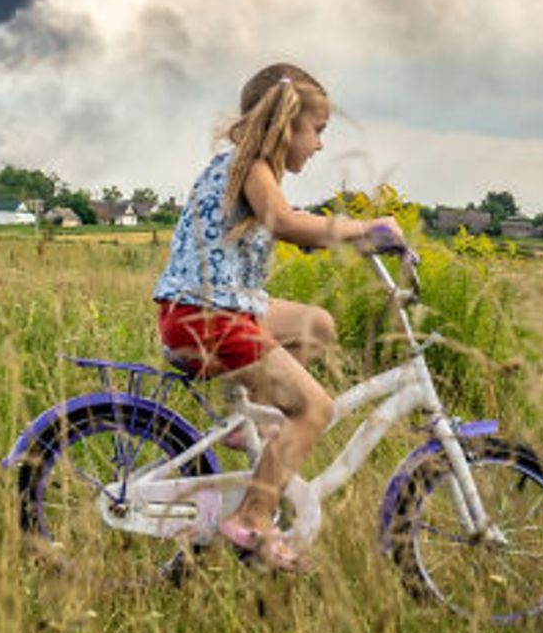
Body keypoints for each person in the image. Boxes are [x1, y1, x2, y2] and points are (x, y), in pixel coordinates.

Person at [151, 63, 402, 573]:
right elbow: (285, 222)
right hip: (209, 318)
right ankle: (254, 519)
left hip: (212, 308)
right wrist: (364, 228)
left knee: (318, 324)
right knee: (315, 409)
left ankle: (253, 421)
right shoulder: (250, 166)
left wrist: (325, 237)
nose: (319, 145)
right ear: (287, 124)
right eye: (318, 131)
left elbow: (269, 223)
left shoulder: (243, 167)